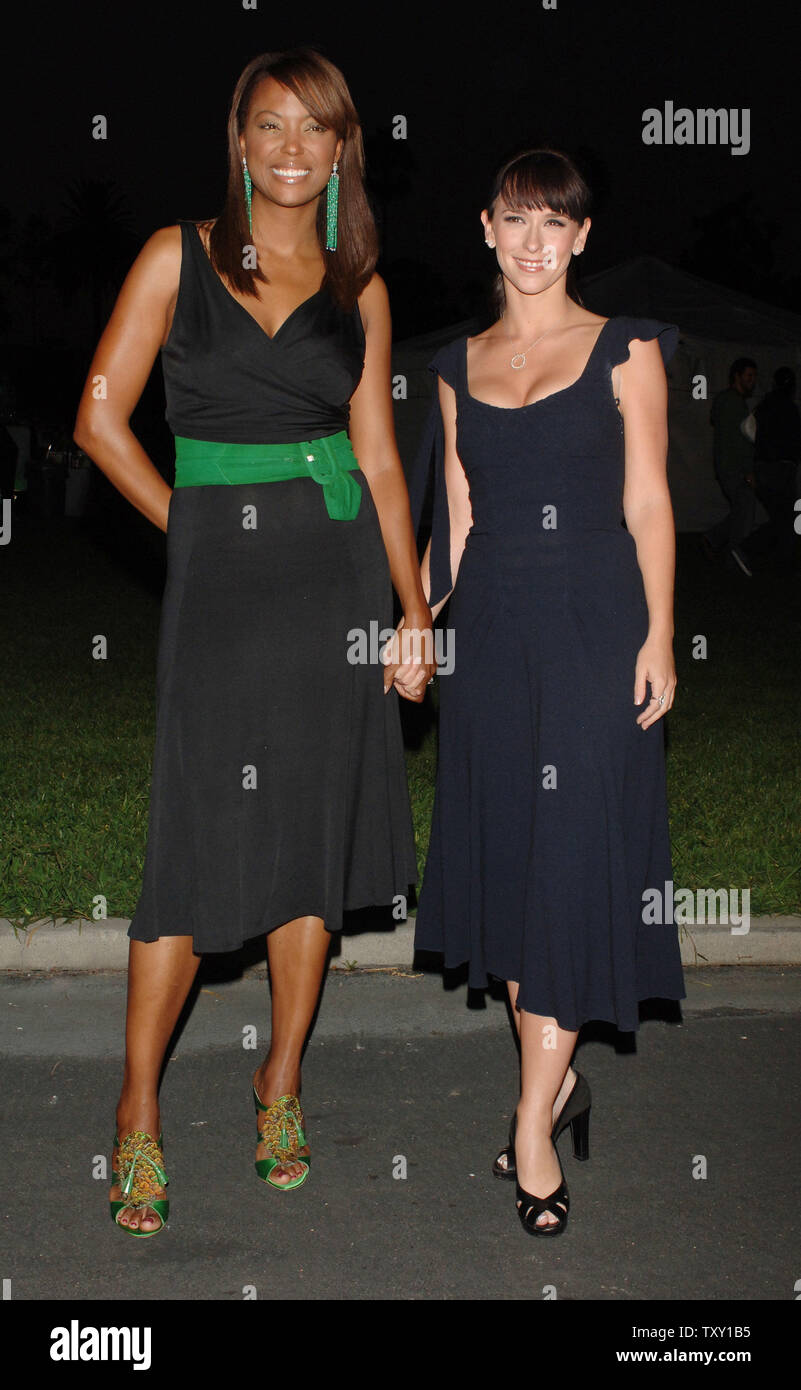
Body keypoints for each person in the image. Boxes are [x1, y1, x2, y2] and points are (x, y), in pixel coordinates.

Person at [74, 47, 434, 1238]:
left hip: (333, 585)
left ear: (342, 151)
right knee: (192, 844)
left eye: (313, 129)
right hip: (222, 596)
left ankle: (279, 1078)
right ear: (239, 140)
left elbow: (379, 459)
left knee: (307, 839)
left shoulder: (359, 286)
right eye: (269, 125)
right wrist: (192, 521)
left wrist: (414, 608)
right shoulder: (177, 258)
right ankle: (137, 1110)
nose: (290, 147)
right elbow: (98, 417)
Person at [408, 149, 686, 1237]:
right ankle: (558, 1087)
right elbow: (456, 522)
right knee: (520, 879)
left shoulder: (629, 351)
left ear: (581, 238)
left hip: (595, 635)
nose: (533, 242)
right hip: (492, 644)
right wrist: (423, 621)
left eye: (554, 224)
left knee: (571, 873)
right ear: (486, 228)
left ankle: (532, 1125)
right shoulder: (453, 363)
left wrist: (663, 631)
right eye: (514, 221)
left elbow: (652, 500)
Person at [702, 357, 758, 576]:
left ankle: (713, 539)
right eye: (749, 376)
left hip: (726, 465)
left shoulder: (727, 401)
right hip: (734, 467)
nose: (752, 381)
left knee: (742, 509)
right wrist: (748, 470)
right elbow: (740, 441)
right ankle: (734, 557)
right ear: (737, 376)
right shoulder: (734, 403)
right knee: (745, 510)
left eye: (754, 377)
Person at [751, 366, 800, 574]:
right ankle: (746, 548)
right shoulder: (788, 408)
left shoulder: (764, 405)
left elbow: (749, 430)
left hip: (764, 466)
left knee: (784, 516)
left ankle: (783, 561)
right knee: (787, 517)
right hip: (779, 468)